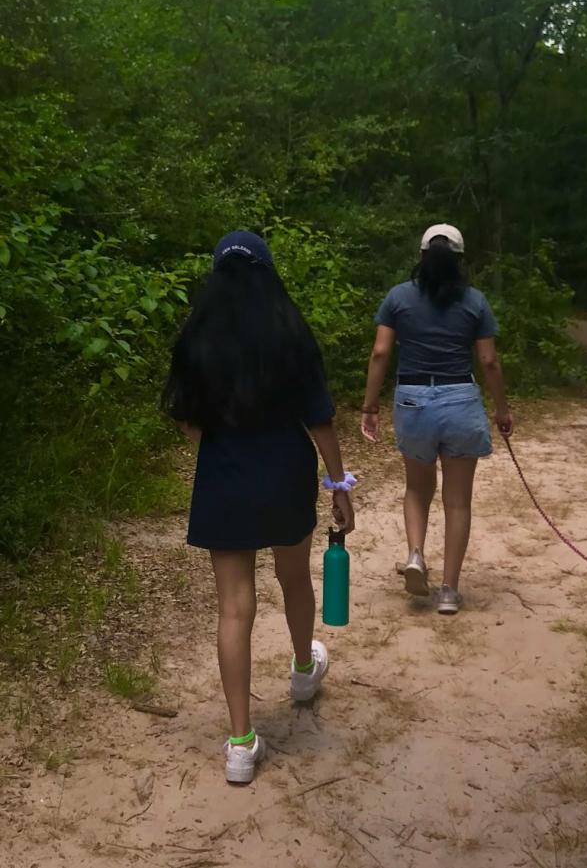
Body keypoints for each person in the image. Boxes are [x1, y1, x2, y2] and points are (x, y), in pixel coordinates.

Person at [163, 230, 355, 784]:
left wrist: (223, 440)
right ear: (269, 274)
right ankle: (301, 670)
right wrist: (338, 485)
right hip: (284, 472)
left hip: (224, 476)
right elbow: (319, 416)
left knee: (234, 608)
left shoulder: (198, 337)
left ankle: (241, 743)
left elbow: (186, 418)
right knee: (294, 577)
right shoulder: (290, 334)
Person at [361, 223, 512, 614]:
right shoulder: (475, 302)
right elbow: (489, 361)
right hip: (460, 398)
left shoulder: (398, 298)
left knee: (416, 489)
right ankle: (448, 591)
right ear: (460, 260)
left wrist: (370, 406)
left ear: (422, 256)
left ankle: (415, 555)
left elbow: (380, 353)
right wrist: (501, 408)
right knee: (458, 502)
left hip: (412, 400)